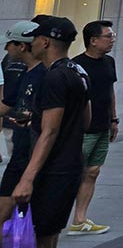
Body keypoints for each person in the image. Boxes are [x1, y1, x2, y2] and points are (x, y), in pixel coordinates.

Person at [11, 17, 87, 248]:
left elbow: (50, 132)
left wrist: (27, 179)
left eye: (34, 38)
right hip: (71, 163)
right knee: (50, 231)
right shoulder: (77, 70)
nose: (31, 43)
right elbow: (85, 118)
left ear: (44, 42)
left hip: (54, 168)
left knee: (42, 234)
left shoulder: (53, 77)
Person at [68, 20, 117, 236]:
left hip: (103, 126)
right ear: (93, 40)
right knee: (72, 172)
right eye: (108, 36)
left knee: (93, 171)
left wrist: (114, 119)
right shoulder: (76, 65)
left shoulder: (109, 62)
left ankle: (80, 219)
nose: (112, 40)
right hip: (83, 129)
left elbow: (110, 91)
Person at [0, 21, 42, 236]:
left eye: (10, 44)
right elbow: (8, 104)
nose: (6, 49)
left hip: (34, 156)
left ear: (22, 46)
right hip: (21, 151)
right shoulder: (22, 71)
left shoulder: (46, 74)